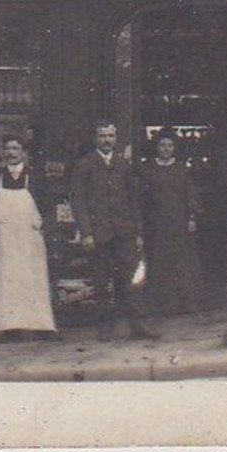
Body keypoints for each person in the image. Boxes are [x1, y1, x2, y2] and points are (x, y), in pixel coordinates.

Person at [70, 121, 158, 341]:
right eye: (102, 136)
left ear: (116, 138)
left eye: (110, 136)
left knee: (134, 279)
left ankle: (138, 325)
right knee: (102, 282)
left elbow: (133, 199)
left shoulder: (123, 164)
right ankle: (105, 326)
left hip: (124, 231)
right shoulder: (85, 165)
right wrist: (87, 232)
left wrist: (137, 230)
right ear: (95, 138)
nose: (107, 140)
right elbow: (78, 201)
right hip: (100, 233)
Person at [0, 135, 58, 340]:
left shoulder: (35, 177)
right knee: (8, 281)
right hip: (7, 241)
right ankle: (11, 328)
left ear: (23, 153)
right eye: (8, 148)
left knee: (34, 280)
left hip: (30, 239)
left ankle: (43, 327)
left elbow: (49, 207)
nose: (11, 152)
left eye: (15, 148)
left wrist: (44, 225)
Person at [134, 130, 204, 317]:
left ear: (175, 148)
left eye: (170, 146)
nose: (166, 149)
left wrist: (191, 218)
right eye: (162, 145)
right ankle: (160, 307)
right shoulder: (148, 169)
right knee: (158, 265)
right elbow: (142, 199)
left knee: (182, 264)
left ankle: (185, 304)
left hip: (178, 223)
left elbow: (190, 195)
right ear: (156, 147)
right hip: (156, 224)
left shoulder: (182, 169)